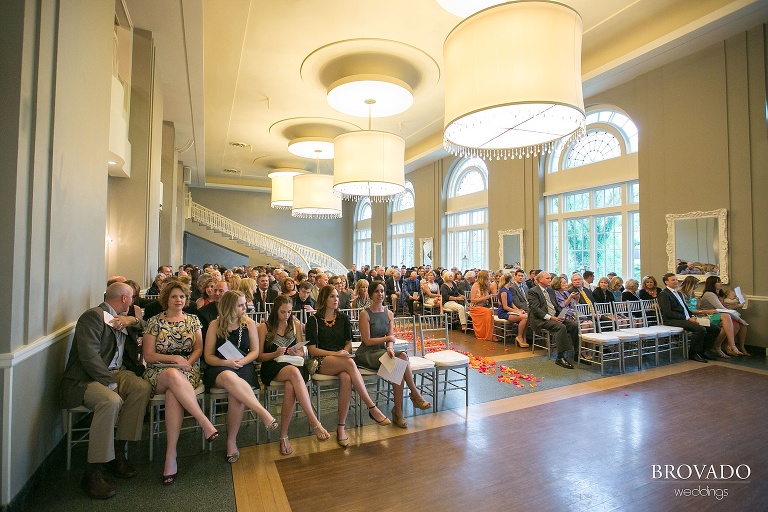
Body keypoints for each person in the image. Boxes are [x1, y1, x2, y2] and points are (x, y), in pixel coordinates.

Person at [61, 283, 152, 499]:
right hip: (86, 378)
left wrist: (132, 320)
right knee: (110, 401)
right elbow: (89, 356)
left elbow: (148, 326)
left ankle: (118, 451)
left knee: (142, 388)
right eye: (131, 298)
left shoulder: (124, 318)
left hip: (117, 371)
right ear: (123, 298)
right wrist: (109, 382)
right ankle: (94, 470)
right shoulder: (92, 317)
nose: (133, 302)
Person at [142, 281, 218, 485]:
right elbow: (148, 355)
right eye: (174, 296)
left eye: (182, 297)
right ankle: (203, 421)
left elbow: (198, 349)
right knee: (173, 377)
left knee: (173, 393)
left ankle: (170, 456)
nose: (179, 300)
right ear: (166, 298)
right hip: (158, 370)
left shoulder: (193, 320)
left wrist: (187, 364)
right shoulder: (154, 321)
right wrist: (174, 360)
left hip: (187, 369)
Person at [307, 286, 391, 447]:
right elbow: (312, 350)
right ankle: (372, 407)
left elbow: (348, 344)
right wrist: (338, 354)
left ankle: (341, 427)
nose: (336, 299)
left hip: (342, 360)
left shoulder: (343, 318)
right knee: (349, 363)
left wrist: (343, 352)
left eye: (337, 296)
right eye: (332, 296)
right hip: (322, 360)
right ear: (324, 299)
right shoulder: (314, 320)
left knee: (346, 377)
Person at [203, 291, 277, 463]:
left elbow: (255, 352)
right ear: (229, 307)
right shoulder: (215, 325)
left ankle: (231, 441)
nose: (245, 308)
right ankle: (263, 413)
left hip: (243, 366)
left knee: (236, 395)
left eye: (245, 304)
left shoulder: (249, 324)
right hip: (220, 367)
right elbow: (208, 356)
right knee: (230, 378)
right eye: (241, 305)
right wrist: (227, 363)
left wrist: (241, 361)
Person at [257, 295, 329, 455]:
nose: (286, 315)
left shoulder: (295, 325)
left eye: (289, 312)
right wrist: (275, 354)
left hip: (293, 363)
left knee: (291, 386)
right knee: (294, 373)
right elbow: (259, 356)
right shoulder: (264, 327)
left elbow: (302, 352)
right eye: (283, 312)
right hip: (273, 365)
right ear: (275, 310)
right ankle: (314, 421)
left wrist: (298, 351)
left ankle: (283, 436)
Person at [355, 281, 432, 430]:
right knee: (400, 364)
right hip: (367, 354)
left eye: (382, 291)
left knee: (401, 358)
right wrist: (388, 340)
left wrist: (390, 347)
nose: (380, 294)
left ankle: (400, 409)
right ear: (371, 294)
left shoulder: (389, 313)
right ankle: (412, 398)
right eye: (376, 291)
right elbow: (367, 340)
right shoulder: (365, 314)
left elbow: (391, 338)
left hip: (382, 352)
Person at [657, 273, 719, 363]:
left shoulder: (678, 293)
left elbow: (685, 308)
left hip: (686, 318)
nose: (675, 282)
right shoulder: (664, 294)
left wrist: (692, 316)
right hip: (673, 320)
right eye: (673, 280)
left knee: (715, 328)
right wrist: (687, 318)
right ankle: (693, 353)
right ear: (666, 282)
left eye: (676, 280)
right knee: (700, 329)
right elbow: (668, 313)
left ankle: (702, 351)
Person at [527, 272, 579, 369]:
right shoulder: (533, 291)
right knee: (561, 327)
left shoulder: (550, 291)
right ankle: (560, 357)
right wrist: (551, 318)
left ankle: (577, 353)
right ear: (540, 280)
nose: (550, 280)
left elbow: (556, 306)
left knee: (574, 325)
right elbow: (536, 310)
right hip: (541, 319)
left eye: (550, 278)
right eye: (547, 278)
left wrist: (561, 314)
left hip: (554, 317)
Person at [699, 276, 749, 356]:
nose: (721, 284)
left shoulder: (720, 294)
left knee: (743, 325)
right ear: (712, 284)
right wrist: (739, 319)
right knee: (733, 324)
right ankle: (725, 346)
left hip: (719, 315)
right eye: (718, 282)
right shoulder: (709, 294)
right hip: (709, 316)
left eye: (721, 282)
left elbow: (726, 307)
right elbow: (721, 309)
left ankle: (740, 347)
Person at [496, 273, 530, 347]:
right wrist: (516, 311)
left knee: (527, 315)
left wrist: (519, 310)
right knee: (524, 317)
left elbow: (511, 304)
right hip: (504, 312)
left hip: (509, 311)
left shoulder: (508, 290)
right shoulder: (504, 291)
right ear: (510, 280)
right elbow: (505, 307)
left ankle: (523, 336)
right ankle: (519, 336)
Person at [469, 270, 494, 341]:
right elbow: (473, 300)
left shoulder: (485, 286)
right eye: (488, 278)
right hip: (475, 307)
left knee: (493, 311)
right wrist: (486, 298)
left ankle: (493, 334)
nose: (489, 279)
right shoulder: (475, 285)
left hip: (483, 306)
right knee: (488, 312)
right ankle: (485, 335)